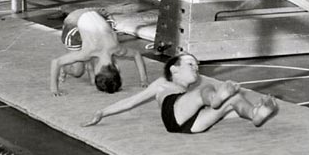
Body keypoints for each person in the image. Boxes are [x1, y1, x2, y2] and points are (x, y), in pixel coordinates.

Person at [83, 53, 279, 133]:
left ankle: (255, 114)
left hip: (193, 125)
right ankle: (217, 99)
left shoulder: (190, 92)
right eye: (190, 64)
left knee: (235, 98)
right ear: (174, 70)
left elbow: (222, 113)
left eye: (197, 65)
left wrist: (235, 109)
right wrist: (102, 112)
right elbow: (131, 101)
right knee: (207, 92)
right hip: (173, 113)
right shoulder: (162, 84)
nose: (196, 68)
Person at [50, 8, 148, 96]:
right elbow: (56, 62)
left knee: (101, 42)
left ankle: (87, 64)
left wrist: (144, 79)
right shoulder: (87, 53)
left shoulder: (116, 49)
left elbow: (136, 54)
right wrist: (54, 89)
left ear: (116, 68)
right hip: (74, 22)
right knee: (77, 72)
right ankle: (66, 67)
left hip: (96, 14)